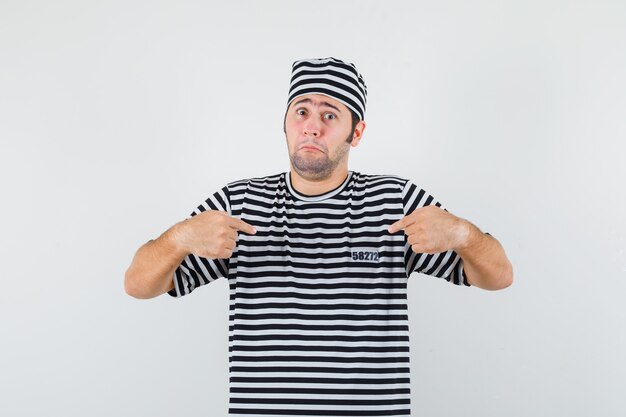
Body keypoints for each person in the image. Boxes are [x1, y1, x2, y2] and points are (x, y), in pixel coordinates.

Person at [124, 57, 513, 416]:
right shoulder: (239, 203)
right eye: (302, 111)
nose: (312, 125)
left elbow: (499, 277)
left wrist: (463, 234)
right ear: (285, 122)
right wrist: (179, 238)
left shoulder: (394, 201)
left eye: (330, 114)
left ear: (356, 132)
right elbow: (138, 284)